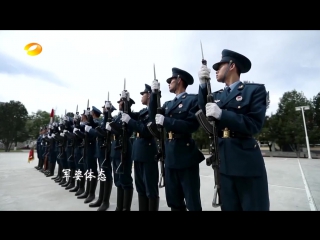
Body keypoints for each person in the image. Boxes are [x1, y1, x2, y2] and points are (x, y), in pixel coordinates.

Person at [197, 49, 270, 211]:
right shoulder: (216, 95)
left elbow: (254, 125)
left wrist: (223, 114)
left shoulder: (254, 91)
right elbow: (203, 110)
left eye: (220, 65)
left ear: (232, 65)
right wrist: (202, 85)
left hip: (246, 164)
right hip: (223, 163)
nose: (216, 70)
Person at [150, 67, 205, 211]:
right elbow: (152, 117)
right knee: (174, 201)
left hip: (185, 156)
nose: (169, 83)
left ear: (179, 80)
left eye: (171, 80)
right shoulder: (168, 104)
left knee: (192, 201)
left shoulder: (192, 100)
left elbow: (191, 125)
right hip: (170, 156)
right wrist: (154, 95)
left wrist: (167, 121)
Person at [121, 84, 159, 211]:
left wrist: (130, 121)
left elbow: (145, 130)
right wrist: (126, 103)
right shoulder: (143, 112)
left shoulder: (153, 111)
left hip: (148, 153)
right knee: (140, 188)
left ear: (148, 95)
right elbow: (131, 116)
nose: (141, 96)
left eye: (143, 94)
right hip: (138, 153)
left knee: (150, 189)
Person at [106, 94, 135, 211]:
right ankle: (119, 207)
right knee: (118, 180)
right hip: (116, 149)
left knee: (125, 180)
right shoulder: (118, 117)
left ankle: (125, 208)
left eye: (121, 102)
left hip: (124, 149)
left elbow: (127, 132)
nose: (119, 104)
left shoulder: (129, 116)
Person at [86, 104, 116, 211]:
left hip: (106, 150)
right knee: (102, 174)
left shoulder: (109, 119)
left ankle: (105, 201)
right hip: (101, 150)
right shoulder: (104, 120)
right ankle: (101, 198)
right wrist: (89, 117)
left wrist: (90, 130)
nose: (103, 109)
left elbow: (102, 133)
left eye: (106, 108)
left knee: (107, 175)